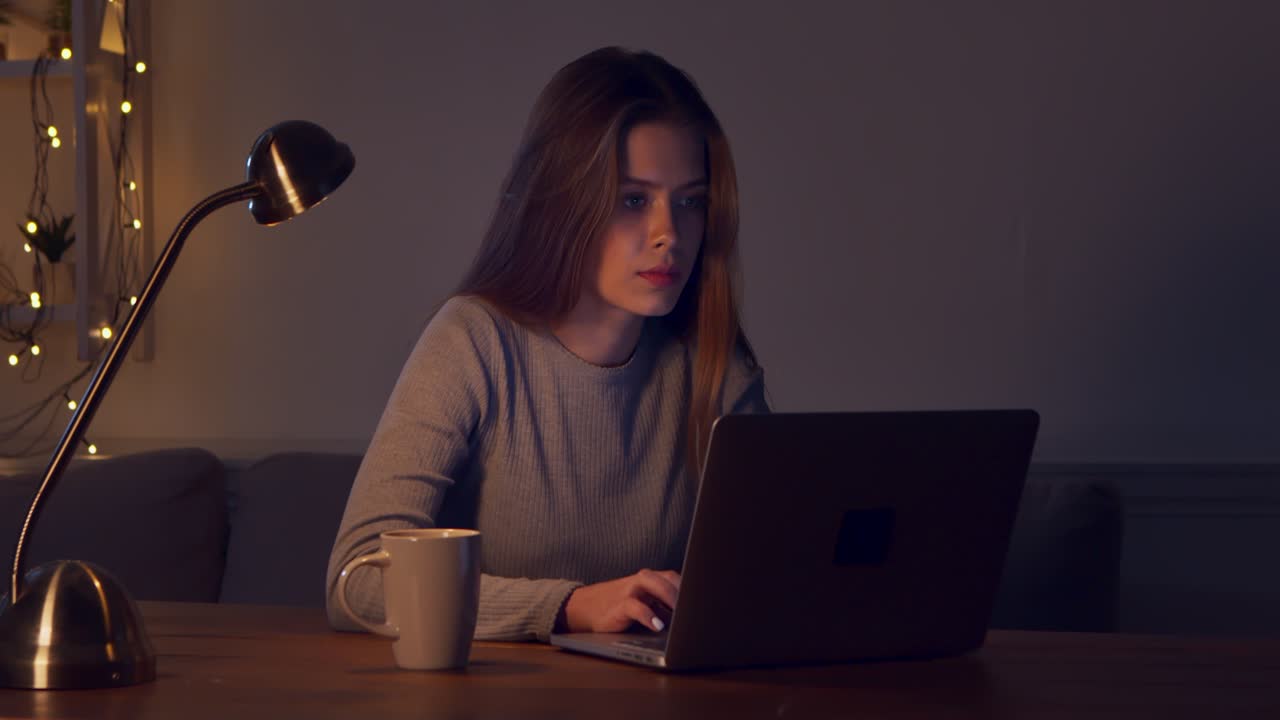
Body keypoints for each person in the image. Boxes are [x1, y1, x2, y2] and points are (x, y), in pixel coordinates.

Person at [325, 46, 769, 643]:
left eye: (689, 201)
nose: (670, 234)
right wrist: (569, 607)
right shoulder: (474, 342)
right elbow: (356, 581)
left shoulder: (715, 365)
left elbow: (772, 575)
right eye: (633, 200)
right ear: (565, 204)